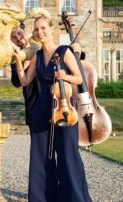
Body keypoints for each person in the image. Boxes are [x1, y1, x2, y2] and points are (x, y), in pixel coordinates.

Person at [13, 16, 92, 202]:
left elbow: (79, 78)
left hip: (63, 106)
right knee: (41, 155)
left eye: (43, 28)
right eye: (36, 30)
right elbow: (25, 81)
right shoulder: (37, 56)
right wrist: (18, 60)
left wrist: (64, 76)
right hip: (42, 109)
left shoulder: (64, 51)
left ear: (50, 29)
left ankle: (73, 198)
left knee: (67, 154)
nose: (40, 32)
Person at [10, 24, 39, 130]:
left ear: (26, 30)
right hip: (31, 102)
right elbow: (16, 83)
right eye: (13, 37)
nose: (18, 38)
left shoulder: (40, 47)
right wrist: (20, 63)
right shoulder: (15, 57)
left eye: (19, 33)